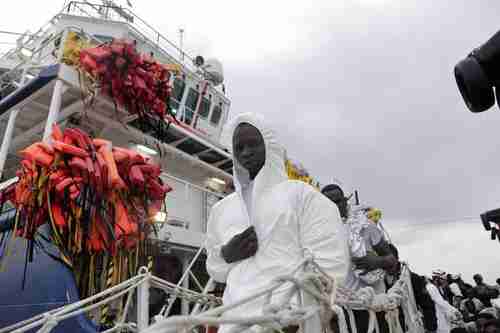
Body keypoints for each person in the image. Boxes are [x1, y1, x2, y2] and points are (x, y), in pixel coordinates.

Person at [205, 113, 349, 333]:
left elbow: (329, 262)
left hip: (291, 321)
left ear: (269, 146)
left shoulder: (300, 195)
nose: (245, 152)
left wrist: (297, 313)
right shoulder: (221, 210)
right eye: (239, 147)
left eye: (252, 144)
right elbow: (215, 268)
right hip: (235, 322)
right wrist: (227, 254)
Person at [322, 184, 397, 333]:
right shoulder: (318, 233)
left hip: (371, 308)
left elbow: (392, 262)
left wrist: (377, 262)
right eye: (328, 203)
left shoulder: (366, 226)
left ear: (345, 201)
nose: (334, 207)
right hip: (339, 311)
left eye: (337, 201)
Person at [385, 243, 438, 333]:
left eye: (390, 260)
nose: (387, 264)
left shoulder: (412, 279)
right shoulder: (380, 282)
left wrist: (431, 328)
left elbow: (427, 305)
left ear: (397, 258)